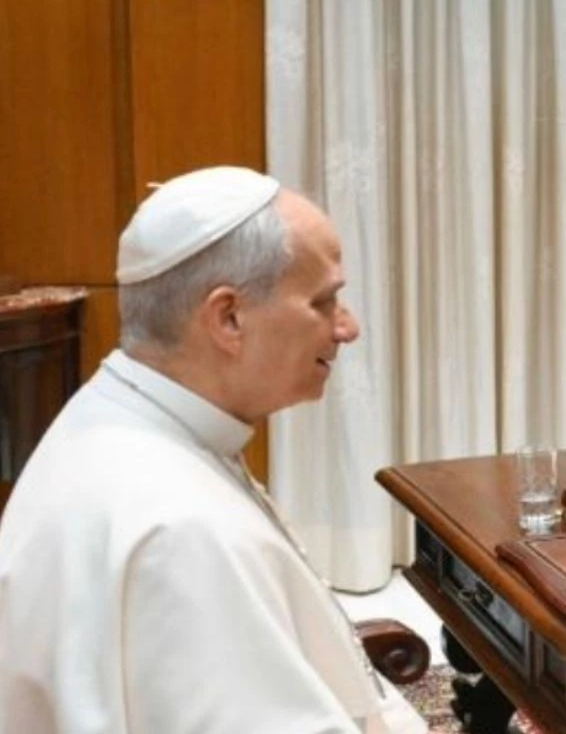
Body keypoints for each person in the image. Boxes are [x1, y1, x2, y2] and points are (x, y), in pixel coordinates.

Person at [0, 166, 425, 734]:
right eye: (325, 302)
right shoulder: (179, 529)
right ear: (228, 318)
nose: (347, 328)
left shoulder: (121, 416)